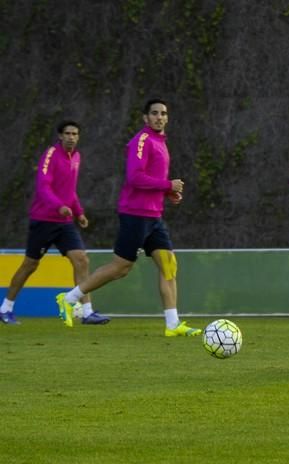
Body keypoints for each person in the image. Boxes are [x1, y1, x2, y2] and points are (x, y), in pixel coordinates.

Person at [56, 99, 202, 337]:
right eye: (154, 113)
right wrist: (167, 184)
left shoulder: (161, 143)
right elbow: (135, 177)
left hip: (154, 216)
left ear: (167, 117)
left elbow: (151, 180)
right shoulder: (142, 140)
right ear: (146, 118)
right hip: (134, 214)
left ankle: (173, 324)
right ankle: (69, 298)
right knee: (121, 268)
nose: (159, 117)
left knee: (168, 264)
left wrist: (168, 192)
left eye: (163, 113)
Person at [0, 121, 109, 326]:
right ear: (60, 136)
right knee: (30, 265)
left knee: (81, 260)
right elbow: (43, 186)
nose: (71, 137)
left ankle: (87, 312)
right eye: (67, 133)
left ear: (78, 137)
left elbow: (70, 190)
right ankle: (5, 307)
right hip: (44, 220)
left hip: (65, 221)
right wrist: (59, 206)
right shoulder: (51, 154)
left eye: (75, 134)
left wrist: (79, 212)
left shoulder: (76, 157)